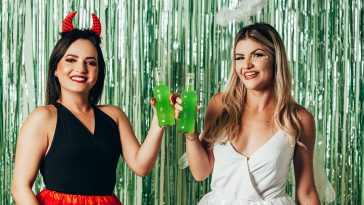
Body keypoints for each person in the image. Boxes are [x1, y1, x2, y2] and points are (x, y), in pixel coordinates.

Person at [11, 11, 166, 205]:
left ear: (98, 71)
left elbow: (141, 166)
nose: (81, 69)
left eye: (90, 63)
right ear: (55, 69)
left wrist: (160, 119)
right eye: (71, 60)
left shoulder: (114, 115)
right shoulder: (43, 118)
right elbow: (20, 187)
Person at [174, 23, 320, 204]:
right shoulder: (220, 104)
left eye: (257, 55)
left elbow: (306, 192)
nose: (247, 65)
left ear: (276, 59)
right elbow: (200, 172)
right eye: (240, 57)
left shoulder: (299, 119)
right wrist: (191, 132)